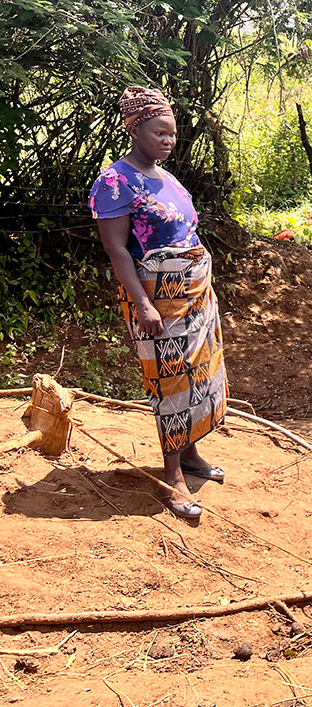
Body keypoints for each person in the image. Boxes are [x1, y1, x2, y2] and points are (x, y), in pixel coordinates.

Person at [89, 86, 227, 522]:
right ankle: (173, 479)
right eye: (159, 132)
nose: (169, 140)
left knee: (199, 374)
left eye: (172, 133)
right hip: (157, 297)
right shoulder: (115, 182)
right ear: (134, 129)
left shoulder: (166, 178)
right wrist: (143, 305)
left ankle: (190, 453)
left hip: (194, 291)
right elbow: (117, 250)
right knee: (171, 383)